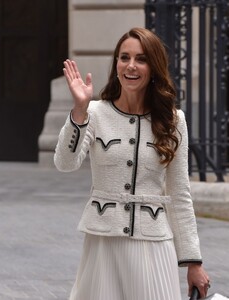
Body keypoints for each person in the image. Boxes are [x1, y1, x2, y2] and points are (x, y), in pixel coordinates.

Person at [54, 27, 210, 300]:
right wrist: (79, 111)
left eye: (141, 59)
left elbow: (180, 194)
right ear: (116, 64)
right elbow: (65, 163)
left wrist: (193, 261)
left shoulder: (174, 121)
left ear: (154, 67)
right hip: (104, 243)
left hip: (154, 244)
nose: (131, 66)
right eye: (124, 57)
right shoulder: (94, 113)